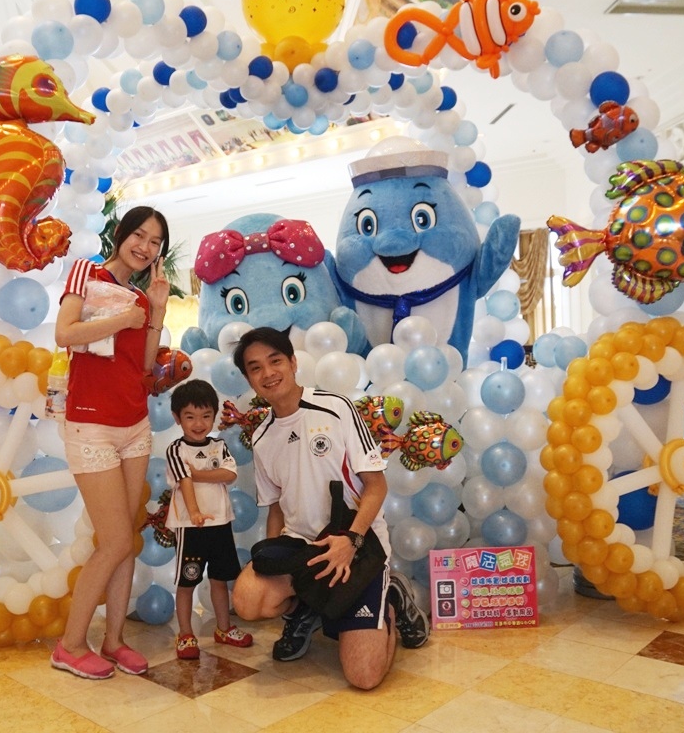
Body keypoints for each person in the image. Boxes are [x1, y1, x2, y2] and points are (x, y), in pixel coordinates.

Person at [230, 327, 430, 690]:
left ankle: (390, 599)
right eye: (255, 367)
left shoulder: (336, 408)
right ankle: (306, 609)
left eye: (275, 361)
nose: (268, 373)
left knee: (363, 676)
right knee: (247, 601)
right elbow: (276, 508)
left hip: (357, 545)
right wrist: (271, 559)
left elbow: (376, 486)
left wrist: (351, 541)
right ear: (249, 379)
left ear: (293, 363)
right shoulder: (261, 437)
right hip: (303, 547)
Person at [50, 206, 170, 681]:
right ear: (121, 235)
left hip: (134, 424)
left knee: (127, 539)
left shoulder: (140, 297)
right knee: (115, 539)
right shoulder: (87, 272)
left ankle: (114, 640)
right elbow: (65, 333)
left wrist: (156, 311)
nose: (145, 246)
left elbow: (144, 366)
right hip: (91, 424)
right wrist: (124, 319)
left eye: (155, 242)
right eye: (139, 235)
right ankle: (69, 645)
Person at [164, 379, 253, 660]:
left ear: (214, 416)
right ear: (177, 418)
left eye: (205, 416)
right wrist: (194, 512)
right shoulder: (176, 450)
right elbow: (184, 482)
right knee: (187, 582)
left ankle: (224, 629)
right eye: (190, 417)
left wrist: (197, 473)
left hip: (220, 525)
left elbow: (229, 474)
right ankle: (185, 634)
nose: (199, 423)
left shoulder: (218, 446)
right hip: (191, 528)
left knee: (219, 579)